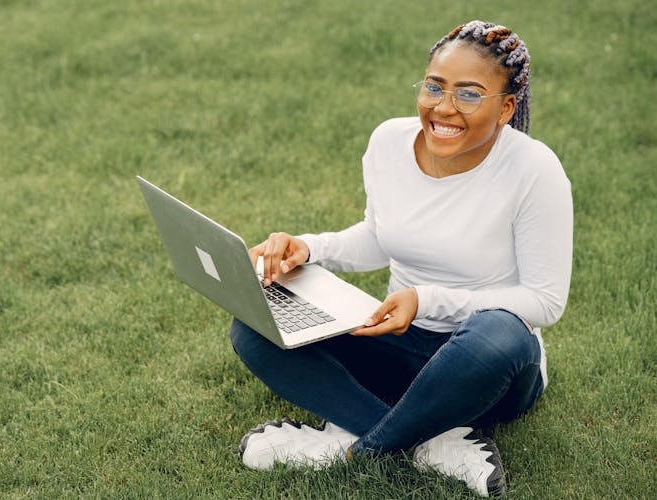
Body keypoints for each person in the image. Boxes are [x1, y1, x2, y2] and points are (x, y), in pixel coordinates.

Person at [230, 20, 572, 497]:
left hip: (487, 369)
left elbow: (544, 301)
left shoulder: (534, 170)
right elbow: (378, 235)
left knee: (500, 331)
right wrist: (309, 248)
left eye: (469, 94)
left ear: (506, 107)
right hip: (397, 339)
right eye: (435, 87)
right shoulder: (390, 142)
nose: (444, 108)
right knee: (254, 321)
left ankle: (353, 448)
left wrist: (426, 299)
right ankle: (427, 440)